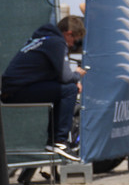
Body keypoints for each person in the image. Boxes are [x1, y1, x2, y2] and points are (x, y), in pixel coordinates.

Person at [1, 16, 87, 161]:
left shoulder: (43, 39)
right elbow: (66, 77)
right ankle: (59, 141)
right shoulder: (57, 42)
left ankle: (54, 141)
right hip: (16, 91)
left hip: (11, 89)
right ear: (69, 33)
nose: (73, 45)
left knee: (64, 89)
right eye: (76, 40)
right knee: (70, 90)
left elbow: (54, 75)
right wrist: (77, 75)